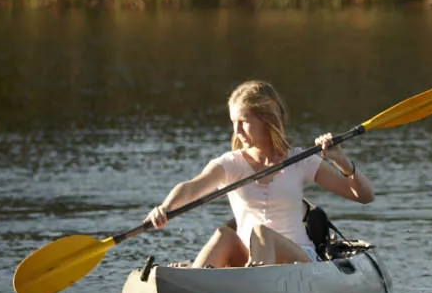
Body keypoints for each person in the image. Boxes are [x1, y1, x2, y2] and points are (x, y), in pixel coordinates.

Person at [144, 80, 375, 267]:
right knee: (224, 234)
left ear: (266, 120)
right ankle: (195, 279)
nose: (236, 131)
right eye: (234, 122)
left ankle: (249, 284)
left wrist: (340, 160)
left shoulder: (301, 160)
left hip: (298, 258)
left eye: (243, 122)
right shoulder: (229, 164)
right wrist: (165, 207)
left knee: (262, 233)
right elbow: (192, 187)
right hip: (248, 259)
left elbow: (363, 196)